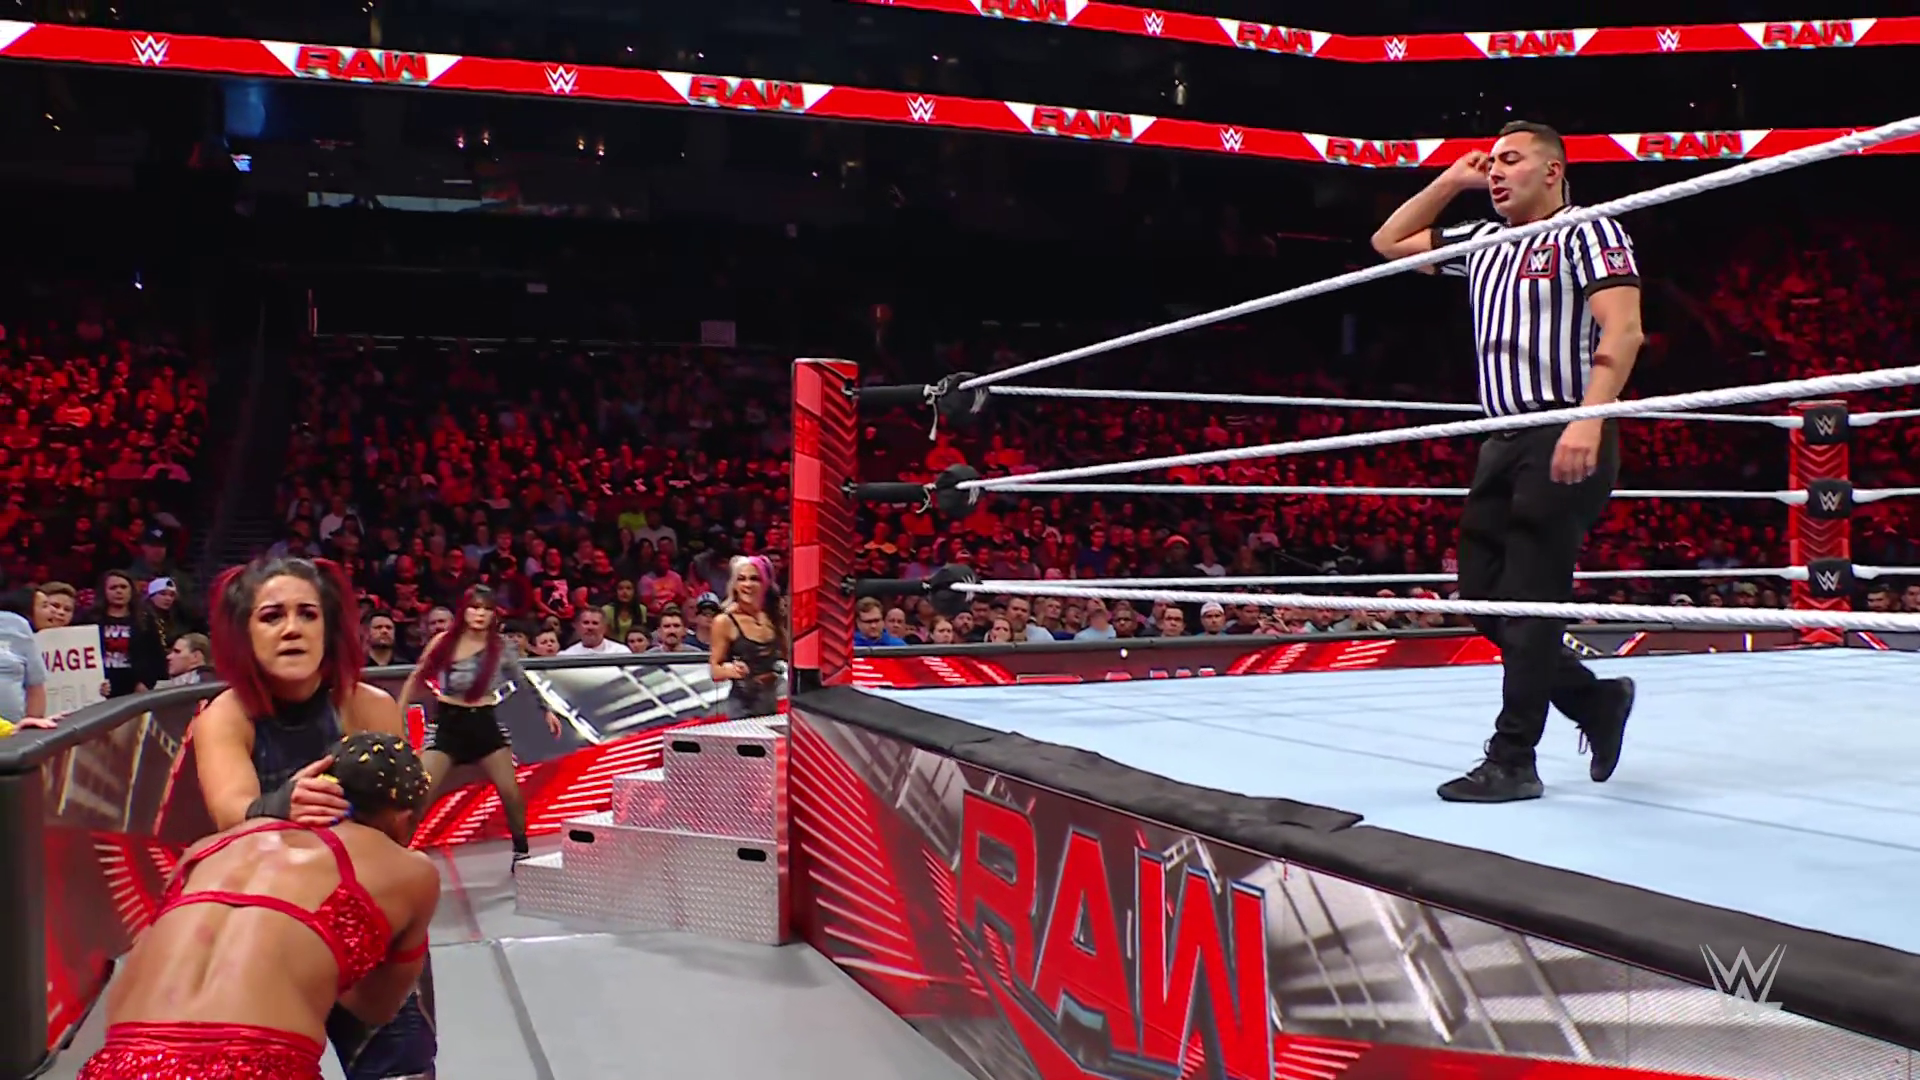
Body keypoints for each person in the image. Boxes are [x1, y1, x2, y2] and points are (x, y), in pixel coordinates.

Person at [1371, 120, 1640, 803]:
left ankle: (1514, 758)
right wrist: (1450, 179)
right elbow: (1389, 243)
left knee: (1529, 597)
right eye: (1490, 162)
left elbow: (1624, 327)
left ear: (1552, 171)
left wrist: (1589, 417)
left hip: (1562, 427)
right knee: (1482, 598)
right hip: (1500, 438)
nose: (1494, 171)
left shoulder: (1587, 230)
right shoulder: (1482, 242)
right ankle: (1592, 699)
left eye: (1510, 160)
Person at [187, 555, 435, 1079]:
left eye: (307, 613)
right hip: (270, 928)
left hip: (366, 919)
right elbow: (230, 812)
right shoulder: (225, 717)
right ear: (244, 633)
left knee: (402, 1066)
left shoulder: (369, 705)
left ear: (329, 626)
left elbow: (401, 828)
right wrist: (280, 805)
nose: (292, 629)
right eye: (271, 616)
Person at [76, 732, 441, 1080]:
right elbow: (377, 1007)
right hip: (254, 1065)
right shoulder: (410, 869)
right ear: (404, 819)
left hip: (120, 1063)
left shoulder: (203, 850)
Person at [400, 584, 561, 870]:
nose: (480, 614)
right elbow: (417, 676)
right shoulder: (444, 642)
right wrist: (398, 709)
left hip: (484, 722)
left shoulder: (501, 647)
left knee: (510, 792)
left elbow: (522, 680)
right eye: (474, 607)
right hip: (448, 724)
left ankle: (521, 850)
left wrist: (545, 709)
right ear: (464, 610)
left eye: (486, 609)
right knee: (420, 791)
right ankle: (398, 851)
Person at [707, 556, 783, 719]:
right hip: (743, 706)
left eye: (754, 579)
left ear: (765, 583)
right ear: (734, 585)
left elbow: (788, 654)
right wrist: (732, 670)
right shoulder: (724, 621)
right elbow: (715, 670)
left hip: (771, 702)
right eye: (741, 579)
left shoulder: (772, 617)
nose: (747, 584)